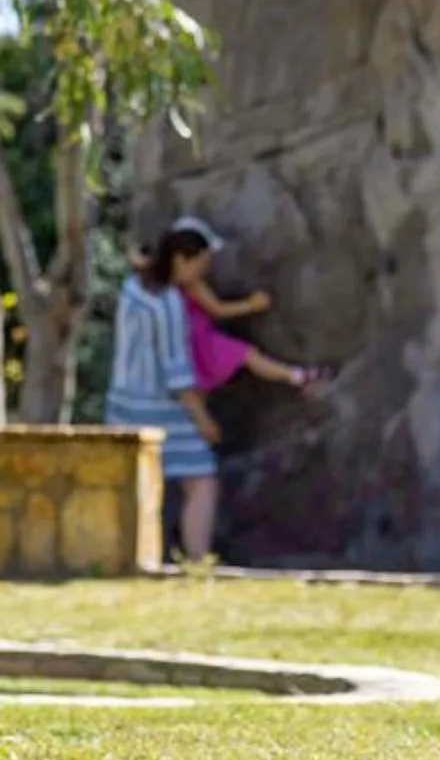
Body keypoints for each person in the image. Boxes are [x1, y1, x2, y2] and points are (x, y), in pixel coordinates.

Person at [104, 228, 225, 563]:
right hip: (159, 408)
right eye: (200, 264)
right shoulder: (168, 302)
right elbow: (177, 374)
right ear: (180, 260)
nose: (203, 273)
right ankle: (198, 559)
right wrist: (204, 422)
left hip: (121, 402)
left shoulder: (133, 289)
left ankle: (128, 554)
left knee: (135, 484)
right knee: (201, 478)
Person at [152, 217, 335, 399]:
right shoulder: (183, 285)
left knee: (239, 360)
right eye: (201, 262)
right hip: (195, 345)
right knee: (243, 357)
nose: (205, 269)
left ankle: (299, 377)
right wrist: (251, 305)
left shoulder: (181, 284)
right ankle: (300, 377)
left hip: (194, 344)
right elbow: (217, 309)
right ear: (180, 259)